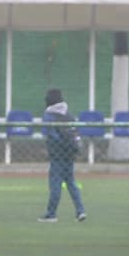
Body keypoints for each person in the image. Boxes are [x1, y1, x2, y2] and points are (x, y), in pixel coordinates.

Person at [39, 88, 86, 222]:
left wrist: (53, 147)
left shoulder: (49, 115)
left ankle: (51, 214)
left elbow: (50, 135)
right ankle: (80, 211)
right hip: (69, 154)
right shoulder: (68, 114)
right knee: (71, 182)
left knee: (55, 184)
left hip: (57, 155)